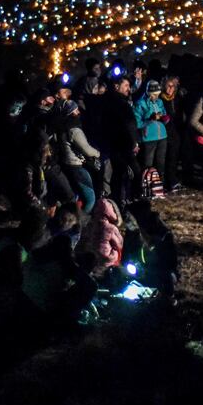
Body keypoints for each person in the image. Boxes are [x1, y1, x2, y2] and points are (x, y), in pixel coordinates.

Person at [102, 76, 140, 206]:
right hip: (122, 143)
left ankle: (121, 199)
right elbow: (128, 125)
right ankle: (126, 199)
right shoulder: (119, 103)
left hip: (117, 143)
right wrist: (133, 142)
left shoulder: (110, 100)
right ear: (116, 86)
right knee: (127, 172)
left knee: (120, 172)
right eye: (126, 86)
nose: (128, 89)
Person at [133, 80, 168, 195]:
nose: (156, 97)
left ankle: (159, 187)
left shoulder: (159, 101)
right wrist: (150, 118)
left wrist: (164, 118)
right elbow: (137, 122)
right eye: (154, 94)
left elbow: (163, 113)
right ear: (148, 93)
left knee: (161, 163)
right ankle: (146, 188)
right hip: (149, 138)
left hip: (162, 136)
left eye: (158, 94)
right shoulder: (140, 103)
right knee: (148, 164)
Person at [79, 196, 124, 276]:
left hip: (90, 252)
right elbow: (119, 243)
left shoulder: (90, 223)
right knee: (111, 258)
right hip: (104, 256)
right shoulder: (111, 228)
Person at [159, 76, 186, 192]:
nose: (170, 88)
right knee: (165, 158)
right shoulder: (161, 99)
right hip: (164, 132)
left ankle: (172, 180)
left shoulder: (177, 98)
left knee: (174, 157)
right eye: (168, 85)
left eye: (173, 86)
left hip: (176, 131)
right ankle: (165, 182)